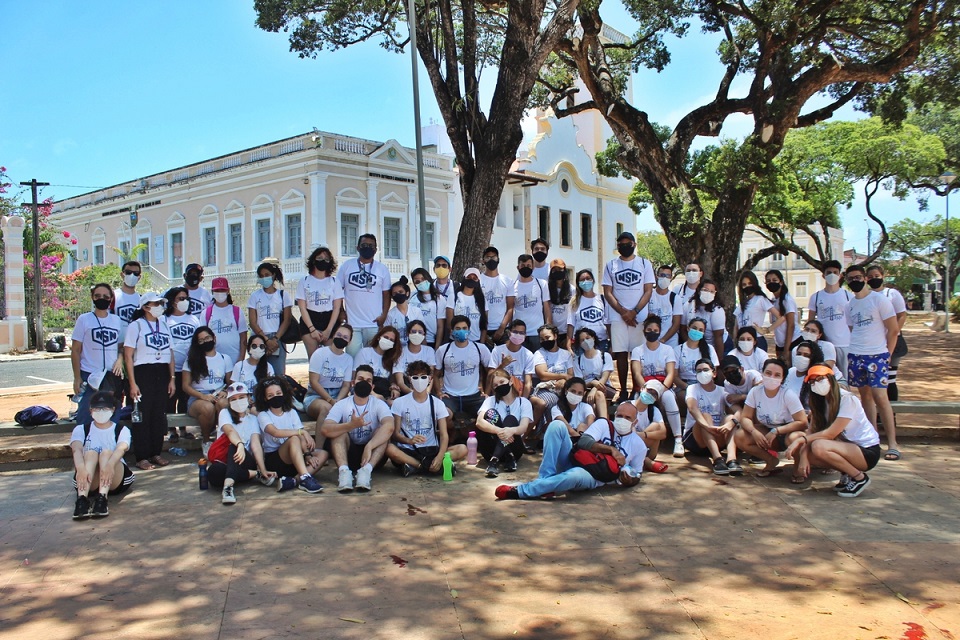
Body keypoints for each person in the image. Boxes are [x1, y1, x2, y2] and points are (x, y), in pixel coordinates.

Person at [494, 402, 644, 500]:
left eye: (627, 417)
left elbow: (637, 474)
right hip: (576, 458)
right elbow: (584, 442)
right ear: (614, 415)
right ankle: (545, 480)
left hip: (593, 476)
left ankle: (522, 491)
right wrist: (611, 449)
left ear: (635, 422)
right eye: (619, 416)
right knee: (556, 425)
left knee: (574, 476)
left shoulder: (639, 446)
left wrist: (630, 481)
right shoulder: (604, 424)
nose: (622, 419)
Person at [785, 366, 881, 497]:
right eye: (812, 382)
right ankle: (847, 473)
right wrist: (803, 455)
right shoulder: (819, 403)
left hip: (866, 451)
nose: (816, 384)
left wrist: (802, 440)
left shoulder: (847, 399)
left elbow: (831, 433)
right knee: (807, 447)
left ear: (831, 379)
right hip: (844, 446)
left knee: (818, 446)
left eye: (820, 379)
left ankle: (859, 478)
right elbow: (812, 431)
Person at [845, 264, 901, 460]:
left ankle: (892, 443)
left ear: (865, 278)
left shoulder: (879, 300)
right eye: (851, 278)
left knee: (881, 397)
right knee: (865, 397)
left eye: (858, 277)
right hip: (856, 355)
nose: (855, 281)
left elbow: (893, 330)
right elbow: (853, 329)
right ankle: (872, 439)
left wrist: (887, 354)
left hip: (877, 355)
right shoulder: (850, 304)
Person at [321, 365, 395, 492]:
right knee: (339, 432)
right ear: (353, 383)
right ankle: (344, 473)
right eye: (360, 379)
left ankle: (366, 472)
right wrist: (350, 425)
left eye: (368, 381)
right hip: (349, 454)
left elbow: (390, 426)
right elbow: (325, 429)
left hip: (373, 455)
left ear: (372, 387)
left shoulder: (378, 404)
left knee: (382, 431)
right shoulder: (342, 404)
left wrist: (369, 446)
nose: (364, 383)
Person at [122, 293, 175, 470]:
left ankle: (156, 452)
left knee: (158, 415)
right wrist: (132, 383)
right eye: (156, 303)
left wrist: (172, 378)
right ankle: (141, 456)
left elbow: (170, 353)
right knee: (141, 416)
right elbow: (128, 356)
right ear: (145, 307)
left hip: (162, 371)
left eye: (161, 303)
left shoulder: (165, 325)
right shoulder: (136, 326)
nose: (160, 306)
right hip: (143, 372)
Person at [387, 360, 467, 476]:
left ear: (429, 379)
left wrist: (439, 457)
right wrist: (409, 440)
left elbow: (444, 434)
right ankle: (421, 466)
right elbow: (396, 434)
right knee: (389, 449)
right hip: (409, 450)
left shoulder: (437, 403)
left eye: (423, 377)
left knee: (462, 449)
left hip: (431, 450)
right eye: (415, 377)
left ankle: (416, 466)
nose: (419, 380)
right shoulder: (399, 403)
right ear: (409, 379)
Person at [602, 231, 655, 402]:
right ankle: (623, 389)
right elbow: (608, 292)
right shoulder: (611, 265)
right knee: (622, 354)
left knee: (637, 354)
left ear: (634, 244)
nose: (624, 246)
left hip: (639, 316)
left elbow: (648, 290)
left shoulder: (644, 264)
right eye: (621, 243)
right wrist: (623, 312)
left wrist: (635, 311)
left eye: (627, 243)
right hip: (618, 317)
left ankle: (637, 389)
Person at [734, 358, 808, 479]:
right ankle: (771, 461)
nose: (772, 377)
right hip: (767, 432)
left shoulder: (788, 394)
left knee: (794, 438)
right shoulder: (755, 392)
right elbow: (745, 417)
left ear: (783, 378)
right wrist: (754, 432)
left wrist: (777, 431)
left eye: (777, 375)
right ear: (762, 373)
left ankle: (798, 466)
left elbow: (803, 422)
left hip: (788, 432)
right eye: (768, 373)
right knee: (740, 436)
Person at [70, 391, 135, 519]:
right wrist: (81, 468)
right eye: (97, 408)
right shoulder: (81, 429)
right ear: (90, 410)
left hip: (114, 475)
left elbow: (121, 449)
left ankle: (102, 499)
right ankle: (82, 500)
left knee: (106, 453)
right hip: (88, 477)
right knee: (91, 453)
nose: (101, 412)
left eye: (105, 408)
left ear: (113, 409)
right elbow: (76, 450)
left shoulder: (121, 430)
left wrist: (110, 465)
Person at [207, 382, 275, 505]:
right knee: (214, 473)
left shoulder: (253, 419)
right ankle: (255, 475)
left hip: (246, 460)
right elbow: (230, 431)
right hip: (226, 459)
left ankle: (228, 488)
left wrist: (263, 468)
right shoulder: (225, 413)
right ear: (229, 401)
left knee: (234, 446)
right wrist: (239, 444)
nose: (238, 401)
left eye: (241, 397)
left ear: (249, 398)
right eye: (233, 399)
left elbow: (255, 444)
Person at [257, 377, 327, 494]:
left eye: (278, 393)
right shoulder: (263, 415)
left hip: (296, 457)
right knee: (294, 438)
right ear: (265, 398)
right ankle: (305, 477)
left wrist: (308, 455)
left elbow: (301, 438)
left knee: (323, 454)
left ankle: (294, 481)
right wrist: (301, 432)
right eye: (271, 395)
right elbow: (275, 432)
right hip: (276, 460)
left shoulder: (291, 412)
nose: (275, 397)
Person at [71, 283, 124, 430]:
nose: (102, 299)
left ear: (111, 298)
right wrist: (77, 377)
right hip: (90, 374)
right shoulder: (84, 319)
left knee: (112, 414)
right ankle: (84, 448)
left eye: (106, 296)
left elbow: (120, 347)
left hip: (111, 375)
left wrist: (120, 360)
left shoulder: (116, 320)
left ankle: (109, 448)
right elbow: (75, 350)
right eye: (98, 296)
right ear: (92, 298)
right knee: (86, 415)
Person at [629, 316, 684, 457]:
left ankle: (678, 439)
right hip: (644, 387)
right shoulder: (637, 350)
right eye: (649, 330)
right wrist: (646, 389)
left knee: (669, 399)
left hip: (663, 386)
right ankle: (636, 437)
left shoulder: (667, 350)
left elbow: (670, 373)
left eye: (655, 330)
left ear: (660, 332)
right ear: (644, 331)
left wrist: (661, 390)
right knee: (638, 403)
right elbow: (637, 373)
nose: (652, 332)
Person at [436, 315, 492, 438]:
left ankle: (472, 435)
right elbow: (436, 374)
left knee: (490, 415)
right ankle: (454, 433)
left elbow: (491, 371)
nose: (461, 331)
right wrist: (439, 392)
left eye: (464, 328)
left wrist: (487, 392)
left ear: (469, 330)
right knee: (444, 416)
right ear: (451, 331)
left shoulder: (480, 348)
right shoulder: (443, 350)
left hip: (474, 396)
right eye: (457, 328)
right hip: (450, 396)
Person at [337, 233, 392, 356]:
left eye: (371, 246)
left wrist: (384, 315)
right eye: (364, 245)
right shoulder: (347, 266)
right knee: (352, 357)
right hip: (352, 323)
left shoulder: (382, 269)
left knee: (373, 357)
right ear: (357, 247)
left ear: (376, 250)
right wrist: (341, 310)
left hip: (373, 323)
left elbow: (386, 294)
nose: (368, 247)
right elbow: (338, 291)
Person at [683, 359, 739, 475]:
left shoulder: (722, 391)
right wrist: (706, 426)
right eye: (698, 371)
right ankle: (717, 459)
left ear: (714, 373)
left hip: (717, 434)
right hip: (696, 438)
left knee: (730, 417)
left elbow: (739, 411)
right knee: (705, 416)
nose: (702, 373)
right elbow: (692, 408)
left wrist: (731, 423)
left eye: (705, 370)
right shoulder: (692, 388)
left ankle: (732, 459)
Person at [476, 369, 533, 477]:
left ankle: (494, 461)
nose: (499, 386)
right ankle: (505, 456)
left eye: (502, 382)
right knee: (491, 413)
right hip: (490, 448)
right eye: (496, 385)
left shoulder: (523, 402)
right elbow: (479, 422)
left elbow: (523, 427)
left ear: (510, 381)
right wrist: (500, 431)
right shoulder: (490, 401)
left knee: (510, 419)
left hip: (515, 448)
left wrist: (511, 430)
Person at [183, 326, 233, 448]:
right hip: (198, 397)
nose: (205, 341)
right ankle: (206, 441)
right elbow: (185, 386)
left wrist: (226, 392)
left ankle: (222, 440)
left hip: (218, 393)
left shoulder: (224, 358)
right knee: (208, 408)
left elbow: (230, 382)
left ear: (214, 338)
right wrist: (203, 396)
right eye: (201, 340)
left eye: (207, 338)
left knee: (224, 404)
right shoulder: (191, 360)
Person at [866, 264, 908, 401]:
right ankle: (879, 415)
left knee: (889, 379)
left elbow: (902, 314)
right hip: (875, 343)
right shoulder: (866, 295)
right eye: (870, 277)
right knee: (876, 381)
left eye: (877, 276)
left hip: (892, 342)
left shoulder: (892, 294)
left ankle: (892, 414)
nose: (874, 279)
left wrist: (895, 331)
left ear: (883, 276)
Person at [296, 246, 344, 359]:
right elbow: (302, 307)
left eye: (326, 259)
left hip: (329, 319)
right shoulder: (304, 281)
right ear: (313, 260)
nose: (323, 261)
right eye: (320, 258)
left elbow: (337, 307)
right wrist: (312, 329)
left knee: (331, 357)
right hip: (310, 319)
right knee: (314, 359)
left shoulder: (334, 281)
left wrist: (328, 330)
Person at [247, 261, 294, 375]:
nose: (264, 278)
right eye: (261, 276)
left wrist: (275, 339)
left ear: (273, 275)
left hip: (277, 338)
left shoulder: (283, 295)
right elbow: (253, 322)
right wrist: (265, 340)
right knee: (257, 372)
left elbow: (287, 320)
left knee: (278, 373)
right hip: (259, 337)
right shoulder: (255, 296)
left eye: (267, 275)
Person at [163, 287, 200, 431]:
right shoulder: (165, 319)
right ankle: (172, 431)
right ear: (172, 301)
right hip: (171, 367)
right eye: (181, 298)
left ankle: (184, 429)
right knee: (170, 399)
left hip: (188, 368)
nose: (185, 301)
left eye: (186, 298)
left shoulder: (193, 319)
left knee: (185, 398)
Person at [807, 259, 852, 377]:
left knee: (844, 377)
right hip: (824, 344)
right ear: (823, 275)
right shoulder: (816, 297)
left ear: (840, 275)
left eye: (835, 272)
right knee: (823, 376)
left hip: (844, 344)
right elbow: (810, 322)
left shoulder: (848, 296)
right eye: (829, 272)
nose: (832, 275)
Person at [305, 323, 355, 422]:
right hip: (316, 395)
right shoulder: (320, 353)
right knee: (326, 409)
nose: (341, 338)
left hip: (338, 395)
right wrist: (330, 400)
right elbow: (314, 382)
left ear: (349, 342)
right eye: (339, 335)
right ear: (333, 335)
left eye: (345, 337)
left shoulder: (348, 359)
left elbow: (346, 385)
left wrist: (338, 401)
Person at [531, 324, 574, 433]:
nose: (544, 341)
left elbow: (571, 375)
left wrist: (564, 380)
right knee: (551, 400)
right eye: (541, 339)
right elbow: (542, 374)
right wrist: (562, 376)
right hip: (545, 388)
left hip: (563, 388)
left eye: (547, 337)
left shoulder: (566, 354)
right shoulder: (539, 353)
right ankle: (548, 431)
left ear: (555, 336)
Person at [673, 317, 719, 412]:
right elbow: (675, 376)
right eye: (694, 328)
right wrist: (688, 387)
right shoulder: (678, 350)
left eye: (701, 330)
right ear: (688, 328)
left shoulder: (709, 349)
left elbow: (714, 373)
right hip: (684, 386)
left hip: (705, 384)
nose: (697, 331)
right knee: (686, 397)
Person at [572, 327, 614, 419]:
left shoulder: (605, 356)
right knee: (594, 406)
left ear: (593, 338)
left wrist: (594, 389)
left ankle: (604, 423)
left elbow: (604, 377)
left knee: (599, 394)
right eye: (582, 340)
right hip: (586, 389)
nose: (585, 341)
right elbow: (580, 383)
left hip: (604, 387)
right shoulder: (578, 361)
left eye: (587, 338)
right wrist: (591, 383)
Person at [204, 277, 247, 365]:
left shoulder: (237, 311)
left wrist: (241, 358)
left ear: (228, 291)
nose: (220, 293)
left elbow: (243, 337)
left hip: (234, 359)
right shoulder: (206, 313)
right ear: (212, 292)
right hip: (214, 360)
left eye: (222, 290)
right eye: (217, 290)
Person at [354, 325, 403, 403]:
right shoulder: (364, 352)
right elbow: (356, 378)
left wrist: (394, 387)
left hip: (384, 394)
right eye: (386, 337)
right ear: (379, 337)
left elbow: (391, 380)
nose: (388, 341)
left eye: (391, 340)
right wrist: (374, 394)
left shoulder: (392, 358)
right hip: (366, 392)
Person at [511, 254, 550, 351]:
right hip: (519, 334)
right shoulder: (512, 286)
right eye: (523, 266)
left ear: (533, 267)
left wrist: (548, 329)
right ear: (518, 267)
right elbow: (510, 309)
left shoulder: (542, 284)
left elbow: (546, 308)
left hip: (537, 333)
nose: (526, 268)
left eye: (528, 266)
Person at [489, 319, 536, 398]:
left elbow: (528, 383)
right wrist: (502, 365)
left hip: (519, 390)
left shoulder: (528, 354)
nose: (518, 335)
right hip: (501, 390)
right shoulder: (497, 350)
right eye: (515, 332)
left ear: (525, 335)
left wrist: (523, 401)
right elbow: (490, 376)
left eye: (521, 333)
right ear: (508, 333)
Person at [632, 381, 671, 473]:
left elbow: (663, 433)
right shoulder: (627, 405)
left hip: (646, 447)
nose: (650, 394)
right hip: (628, 445)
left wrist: (643, 434)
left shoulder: (653, 411)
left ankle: (642, 459)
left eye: (654, 394)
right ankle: (646, 462)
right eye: (649, 390)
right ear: (642, 388)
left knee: (656, 426)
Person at [567, 268, 609, 353]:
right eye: (582, 279)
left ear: (593, 280)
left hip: (601, 342)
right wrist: (568, 344)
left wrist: (612, 342)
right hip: (582, 343)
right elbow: (571, 324)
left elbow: (608, 322)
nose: (585, 281)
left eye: (588, 278)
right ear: (578, 283)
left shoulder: (602, 299)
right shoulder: (574, 301)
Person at [765, 269, 801, 366]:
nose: (771, 283)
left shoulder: (787, 300)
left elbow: (791, 325)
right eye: (768, 281)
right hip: (780, 344)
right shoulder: (774, 301)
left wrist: (786, 349)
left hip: (792, 343)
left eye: (774, 280)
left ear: (781, 282)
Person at [682, 278, 727, 356]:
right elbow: (682, 329)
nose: (708, 293)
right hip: (695, 343)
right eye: (705, 290)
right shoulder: (688, 305)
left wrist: (719, 361)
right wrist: (692, 345)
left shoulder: (717, 310)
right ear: (699, 291)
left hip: (718, 345)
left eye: (712, 292)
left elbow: (719, 336)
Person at [480, 246, 515, 346]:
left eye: (494, 257)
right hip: (483, 330)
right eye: (488, 257)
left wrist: (502, 328)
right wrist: (483, 332)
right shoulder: (478, 280)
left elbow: (510, 307)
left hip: (503, 329)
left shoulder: (507, 281)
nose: (491, 260)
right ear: (483, 261)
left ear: (498, 259)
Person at [393, 319, 438, 395]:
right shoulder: (400, 352)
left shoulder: (429, 351)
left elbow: (431, 376)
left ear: (424, 335)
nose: (417, 334)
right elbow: (400, 382)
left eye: (420, 332)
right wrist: (413, 394)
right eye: (413, 332)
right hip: (407, 390)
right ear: (408, 334)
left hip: (426, 390)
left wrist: (426, 392)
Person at [733, 270, 772, 353]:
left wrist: (767, 330)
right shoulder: (743, 303)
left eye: (750, 283)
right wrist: (735, 340)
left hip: (756, 339)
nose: (747, 286)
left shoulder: (760, 299)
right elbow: (736, 325)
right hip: (742, 340)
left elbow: (781, 317)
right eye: (744, 284)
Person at [447, 267, 488, 344]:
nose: (471, 279)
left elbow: (484, 324)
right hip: (456, 341)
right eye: (468, 277)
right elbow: (449, 323)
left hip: (476, 341)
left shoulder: (482, 299)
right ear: (464, 278)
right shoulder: (453, 296)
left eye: (474, 278)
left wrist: (481, 344)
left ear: (478, 281)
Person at [646, 265, 683, 347]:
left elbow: (676, 324)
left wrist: (663, 340)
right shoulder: (649, 295)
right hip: (650, 339)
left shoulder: (675, 298)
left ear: (671, 278)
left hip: (670, 341)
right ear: (657, 276)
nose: (665, 278)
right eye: (662, 275)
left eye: (668, 276)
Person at [409, 267, 447, 347]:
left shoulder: (439, 299)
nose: (421, 283)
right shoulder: (413, 298)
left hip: (432, 341)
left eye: (423, 279)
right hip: (415, 339)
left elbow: (440, 326)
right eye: (417, 281)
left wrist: (437, 346)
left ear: (428, 278)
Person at [546, 259, 574, 348]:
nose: (557, 272)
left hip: (566, 332)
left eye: (560, 269)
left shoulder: (572, 290)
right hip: (551, 332)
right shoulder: (546, 289)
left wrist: (569, 337)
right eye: (554, 270)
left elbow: (574, 312)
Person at [113, 261, 142, 342]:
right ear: (122, 274)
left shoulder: (141, 300)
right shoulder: (113, 296)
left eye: (136, 273)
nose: (132, 275)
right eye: (128, 272)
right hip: (115, 345)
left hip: (135, 345)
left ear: (139, 277)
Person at [385, 277, 414, 345]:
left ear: (407, 293)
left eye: (400, 292)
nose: (398, 294)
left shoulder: (416, 311)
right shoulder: (390, 315)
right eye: (395, 293)